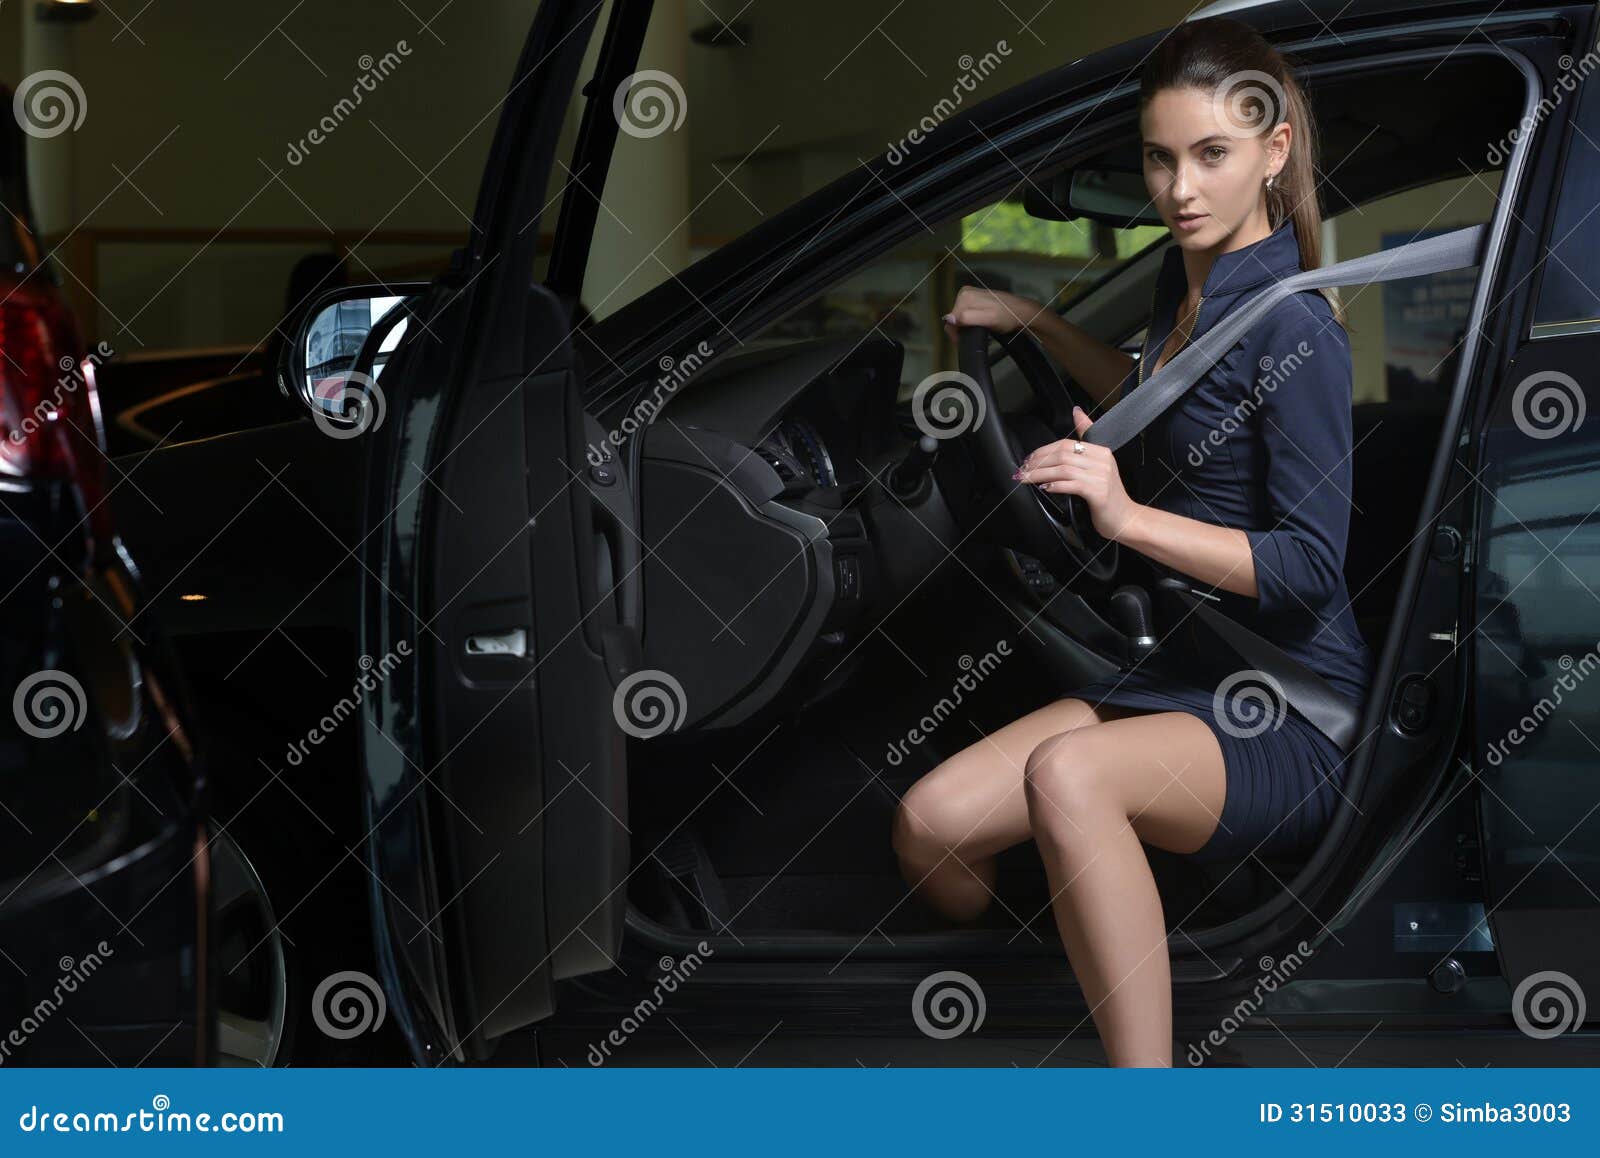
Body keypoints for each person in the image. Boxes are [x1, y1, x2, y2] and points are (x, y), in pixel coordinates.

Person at [891, 15, 1375, 1067]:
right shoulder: (1184, 282)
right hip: (1173, 671)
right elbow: (1165, 400)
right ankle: (1075, 947)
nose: (1179, 189)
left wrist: (1122, 514)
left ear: (1273, 151)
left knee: (1068, 778)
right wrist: (1038, 325)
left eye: (1211, 156)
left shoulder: (1295, 329)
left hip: (1281, 703)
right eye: (1160, 159)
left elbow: (1307, 569)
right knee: (929, 824)